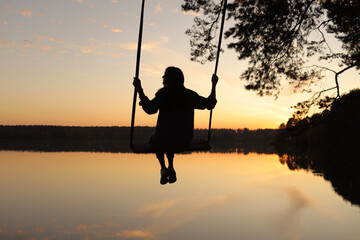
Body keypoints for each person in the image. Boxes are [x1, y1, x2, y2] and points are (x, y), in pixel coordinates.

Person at [133, 66, 218, 185]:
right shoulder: (189, 95)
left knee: (157, 139)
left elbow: (150, 109)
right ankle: (171, 167)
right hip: (183, 142)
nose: (162, 77)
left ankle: (163, 168)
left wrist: (139, 89)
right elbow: (210, 104)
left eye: (165, 75)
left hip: (162, 141)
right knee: (170, 135)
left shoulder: (164, 94)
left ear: (169, 78)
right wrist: (214, 85)